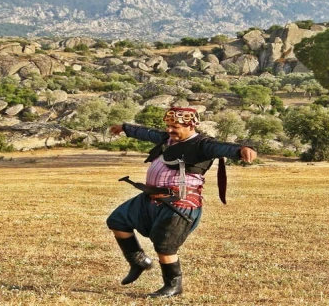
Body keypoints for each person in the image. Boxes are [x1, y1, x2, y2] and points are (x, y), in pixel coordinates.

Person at [106, 107, 257, 298]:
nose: (169, 130)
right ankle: (138, 261)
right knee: (117, 221)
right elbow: (146, 133)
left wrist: (243, 149)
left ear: (191, 125)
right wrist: (125, 128)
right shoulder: (166, 139)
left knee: (165, 245)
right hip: (150, 198)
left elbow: (222, 147)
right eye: (168, 126)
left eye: (175, 126)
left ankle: (173, 285)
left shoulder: (202, 145)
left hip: (180, 203)